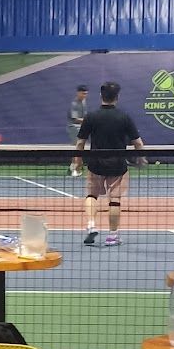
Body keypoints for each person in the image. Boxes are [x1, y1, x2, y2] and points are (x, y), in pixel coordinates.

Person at [75, 81, 145, 247]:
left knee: (91, 196)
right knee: (114, 199)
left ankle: (91, 225)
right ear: (117, 97)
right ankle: (113, 236)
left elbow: (80, 142)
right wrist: (141, 158)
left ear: (101, 95)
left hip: (95, 164)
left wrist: (78, 161)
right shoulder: (124, 117)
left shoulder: (91, 116)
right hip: (118, 165)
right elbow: (138, 143)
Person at [68, 85, 87, 177]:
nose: (84, 95)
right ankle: (74, 169)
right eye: (83, 93)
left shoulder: (84, 102)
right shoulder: (74, 104)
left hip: (82, 128)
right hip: (74, 128)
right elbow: (75, 119)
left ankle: (74, 167)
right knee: (77, 148)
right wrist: (87, 121)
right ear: (78, 93)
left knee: (80, 148)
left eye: (86, 94)